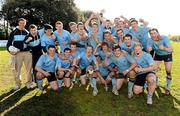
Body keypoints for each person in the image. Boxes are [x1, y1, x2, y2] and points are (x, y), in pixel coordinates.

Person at [6, 18, 33, 90]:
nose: (22, 24)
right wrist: (10, 51)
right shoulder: (13, 32)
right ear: (18, 23)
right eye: (20, 23)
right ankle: (18, 84)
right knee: (17, 69)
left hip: (27, 53)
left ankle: (29, 83)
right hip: (18, 53)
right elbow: (8, 44)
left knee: (29, 69)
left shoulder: (27, 32)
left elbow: (30, 43)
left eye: (23, 23)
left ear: (25, 24)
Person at [147, 28, 173, 95]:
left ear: (158, 33)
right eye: (151, 34)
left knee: (168, 71)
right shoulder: (150, 40)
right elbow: (148, 48)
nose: (153, 35)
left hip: (167, 55)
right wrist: (149, 49)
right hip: (158, 55)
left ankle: (168, 87)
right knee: (154, 69)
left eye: (154, 33)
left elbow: (171, 49)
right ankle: (156, 84)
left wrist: (164, 48)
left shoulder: (164, 38)